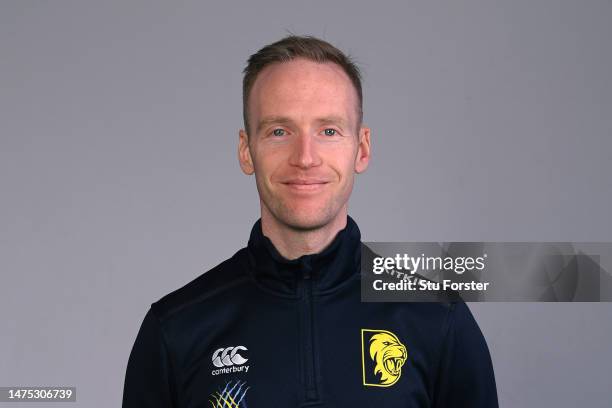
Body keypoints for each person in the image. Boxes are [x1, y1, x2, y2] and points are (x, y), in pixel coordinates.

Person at [122, 35, 498, 407]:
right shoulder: (176, 330)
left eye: (328, 131)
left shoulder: (437, 319)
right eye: (279, 131)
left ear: (362, 149)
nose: (305, 157)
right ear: (246, 150)